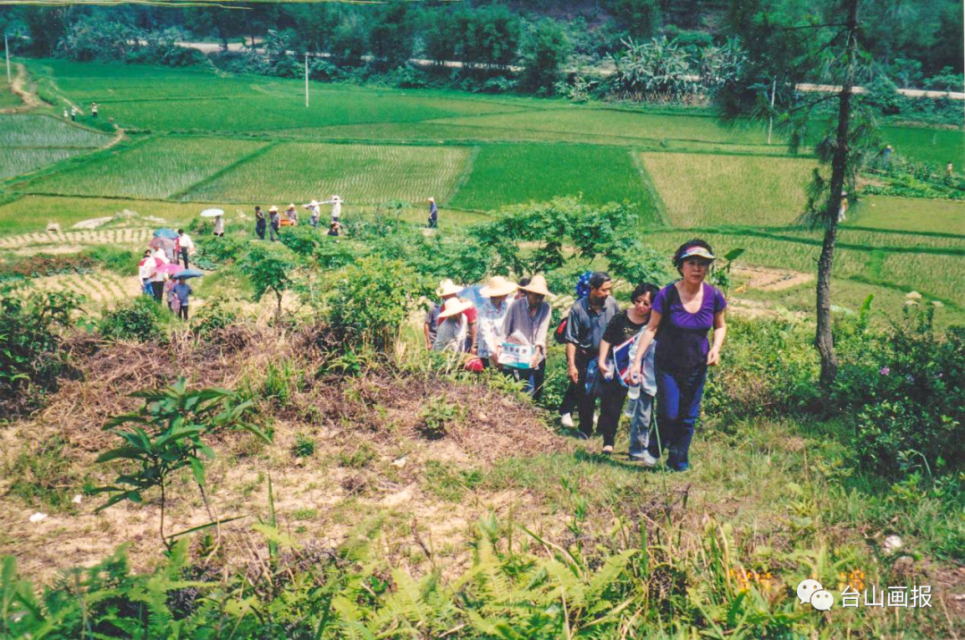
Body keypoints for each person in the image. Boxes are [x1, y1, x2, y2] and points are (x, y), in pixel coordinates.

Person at [629, 239, 727, 472]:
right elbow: (651, 328)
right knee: (669, 412)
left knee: (688, 416)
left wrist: (716, 348)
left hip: (696, 365)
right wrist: (637, 361)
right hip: (667, 364)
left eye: (702, 264)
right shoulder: (667, 295)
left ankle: (678, 461)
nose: (697, 269)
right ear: (681, 266)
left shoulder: (714, 296)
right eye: (691, 263)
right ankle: (655, 447)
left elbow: (720, 326)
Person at [596, 283, 658, 456]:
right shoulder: (621, 316)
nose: (641, 306)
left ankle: (639, 445)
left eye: (646, 303)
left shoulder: (653, 321)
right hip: (619, 367)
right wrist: (601, 360)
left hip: (642, 372)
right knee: (611, 406)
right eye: (638, 301)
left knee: (642, 409)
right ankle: (608, 441)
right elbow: (607, 339)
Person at [563, 272, 619, 440]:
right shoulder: (578, 309)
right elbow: (571, 339)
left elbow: (619, 329)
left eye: (609, 289)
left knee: (608, 395)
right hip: (585, 357)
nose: (607, 293)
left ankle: (604, 429)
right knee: (585, 395)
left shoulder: (612, 304)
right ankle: (585, 429)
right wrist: (571, 365)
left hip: (607, 357)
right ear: (592, 289)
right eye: (603, 290)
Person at [502, 275, 553, 400]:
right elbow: (505, 329)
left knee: (535, 390)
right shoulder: (515, 305)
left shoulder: (546, 308)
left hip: (536, 354)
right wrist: (500, 348)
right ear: (529, 293)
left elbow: (542, 331)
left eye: (541, 296)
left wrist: (536, 353)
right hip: (516, 352)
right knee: (515, 388)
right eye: (536, 296)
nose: (538, 299)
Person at [559, 271, 593, 428]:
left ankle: (587, 410)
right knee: (576, 382)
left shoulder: (600, 304)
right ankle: (566, 411)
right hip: (577, 350)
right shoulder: (578, 306)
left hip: (593, 351)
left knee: (590, 382)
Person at [475, 276, 517, 368]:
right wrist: (494, 353)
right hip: (488, 351)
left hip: (504, 349)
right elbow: (486, 334)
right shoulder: (484, 310)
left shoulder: (507, 306)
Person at [424, 279, 477, 351]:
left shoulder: (465, 308)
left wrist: (474, 346)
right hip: (448, 346)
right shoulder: (444, 307)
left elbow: (473, 326)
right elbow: (442, 332)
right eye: (444, 295)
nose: (445, 297)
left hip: (464, 341)